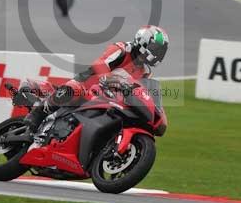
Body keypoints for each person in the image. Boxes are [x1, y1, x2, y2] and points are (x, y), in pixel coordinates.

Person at [23, 25, 169, 133]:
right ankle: (38, 113)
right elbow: (99, 65)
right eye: (156, 49)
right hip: (88, 86)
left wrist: (158, 114)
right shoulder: (123, 49)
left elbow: (143, 93)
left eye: (160, 51)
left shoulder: (145, 73)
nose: (157, 54)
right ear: (143, 41)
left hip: (110, 100)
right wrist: (112, 79)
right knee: (73, 90)